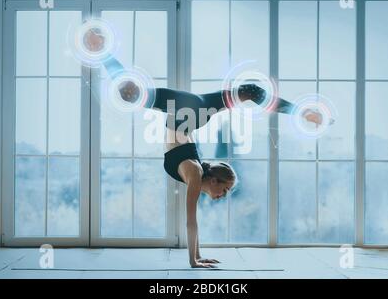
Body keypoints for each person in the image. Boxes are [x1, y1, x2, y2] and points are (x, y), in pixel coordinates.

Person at [85, 29, 324, 268]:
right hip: (187, 112)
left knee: (248, 92)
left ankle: (304, 113)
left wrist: (198, 256)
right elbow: (190, 221)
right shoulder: (195, 173)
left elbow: (192, 222)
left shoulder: (197, 170)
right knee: (130, 93)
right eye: (226, 190)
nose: (224, 195)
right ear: (215, 181)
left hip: (191, 109)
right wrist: (193, 260)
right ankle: (100, 47)